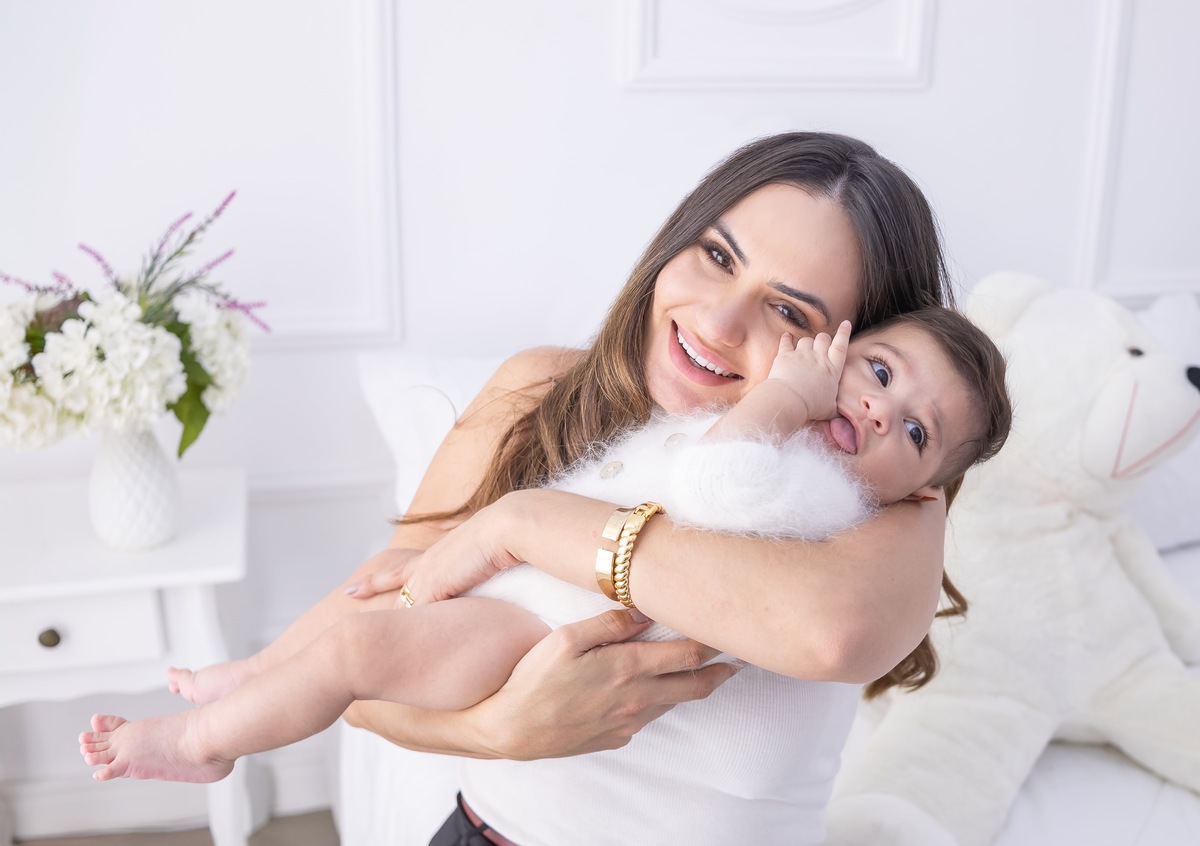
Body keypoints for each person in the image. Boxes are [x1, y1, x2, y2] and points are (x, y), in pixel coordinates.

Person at [87, 131, 995, 844]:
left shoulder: (882, 499)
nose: (717, 322)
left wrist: (525, 522)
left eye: (789, 310)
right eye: (717, 257)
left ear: (855, 356)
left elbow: (828, 632)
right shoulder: (539, 390)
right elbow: (372, 637)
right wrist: (498, 733)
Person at [78, 308, 1011, 794]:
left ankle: (198, 744)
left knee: (359, 650)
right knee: (371, 599)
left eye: (918, 433)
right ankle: (253, 677)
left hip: (534, 628)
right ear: (831, 346)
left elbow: (716, 489)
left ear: (923, 489)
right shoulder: (602, 392)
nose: (881, 410)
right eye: (878, 372)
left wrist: (784, 402)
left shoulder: (832, 499)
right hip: (520, 595)